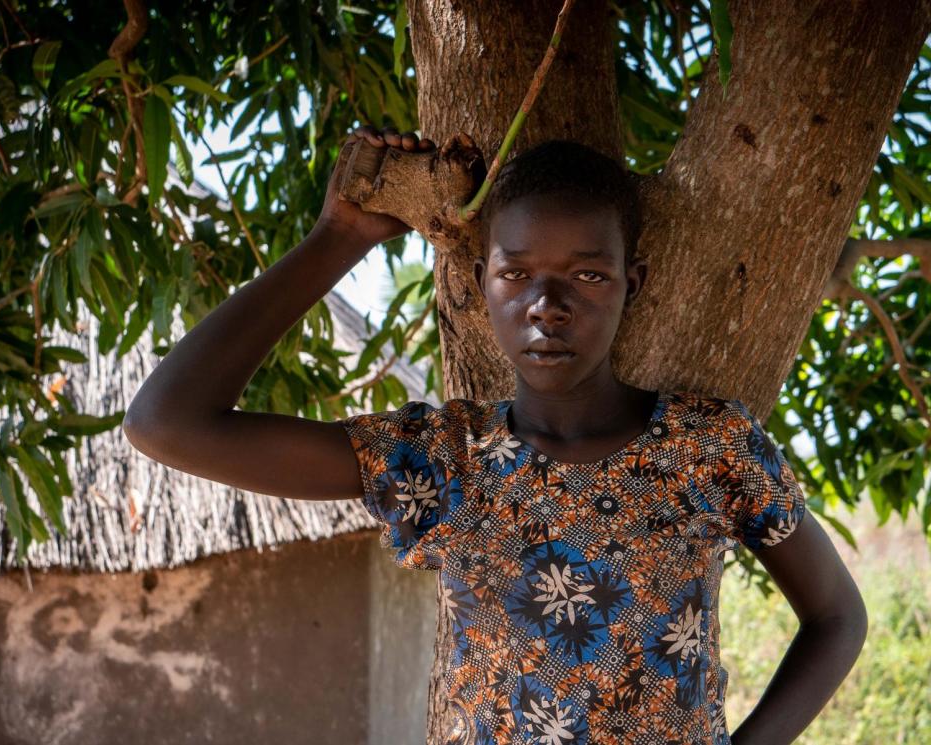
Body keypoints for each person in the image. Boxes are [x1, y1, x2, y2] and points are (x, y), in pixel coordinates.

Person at [122, 124, 868, 744]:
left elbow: (837, 616)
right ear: (481, 282)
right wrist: (339, 237)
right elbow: (166, 423)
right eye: (517, 275)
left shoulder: (708, 447)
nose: (548, 305)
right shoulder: (444, 461)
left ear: (631, 282)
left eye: (588, 276)